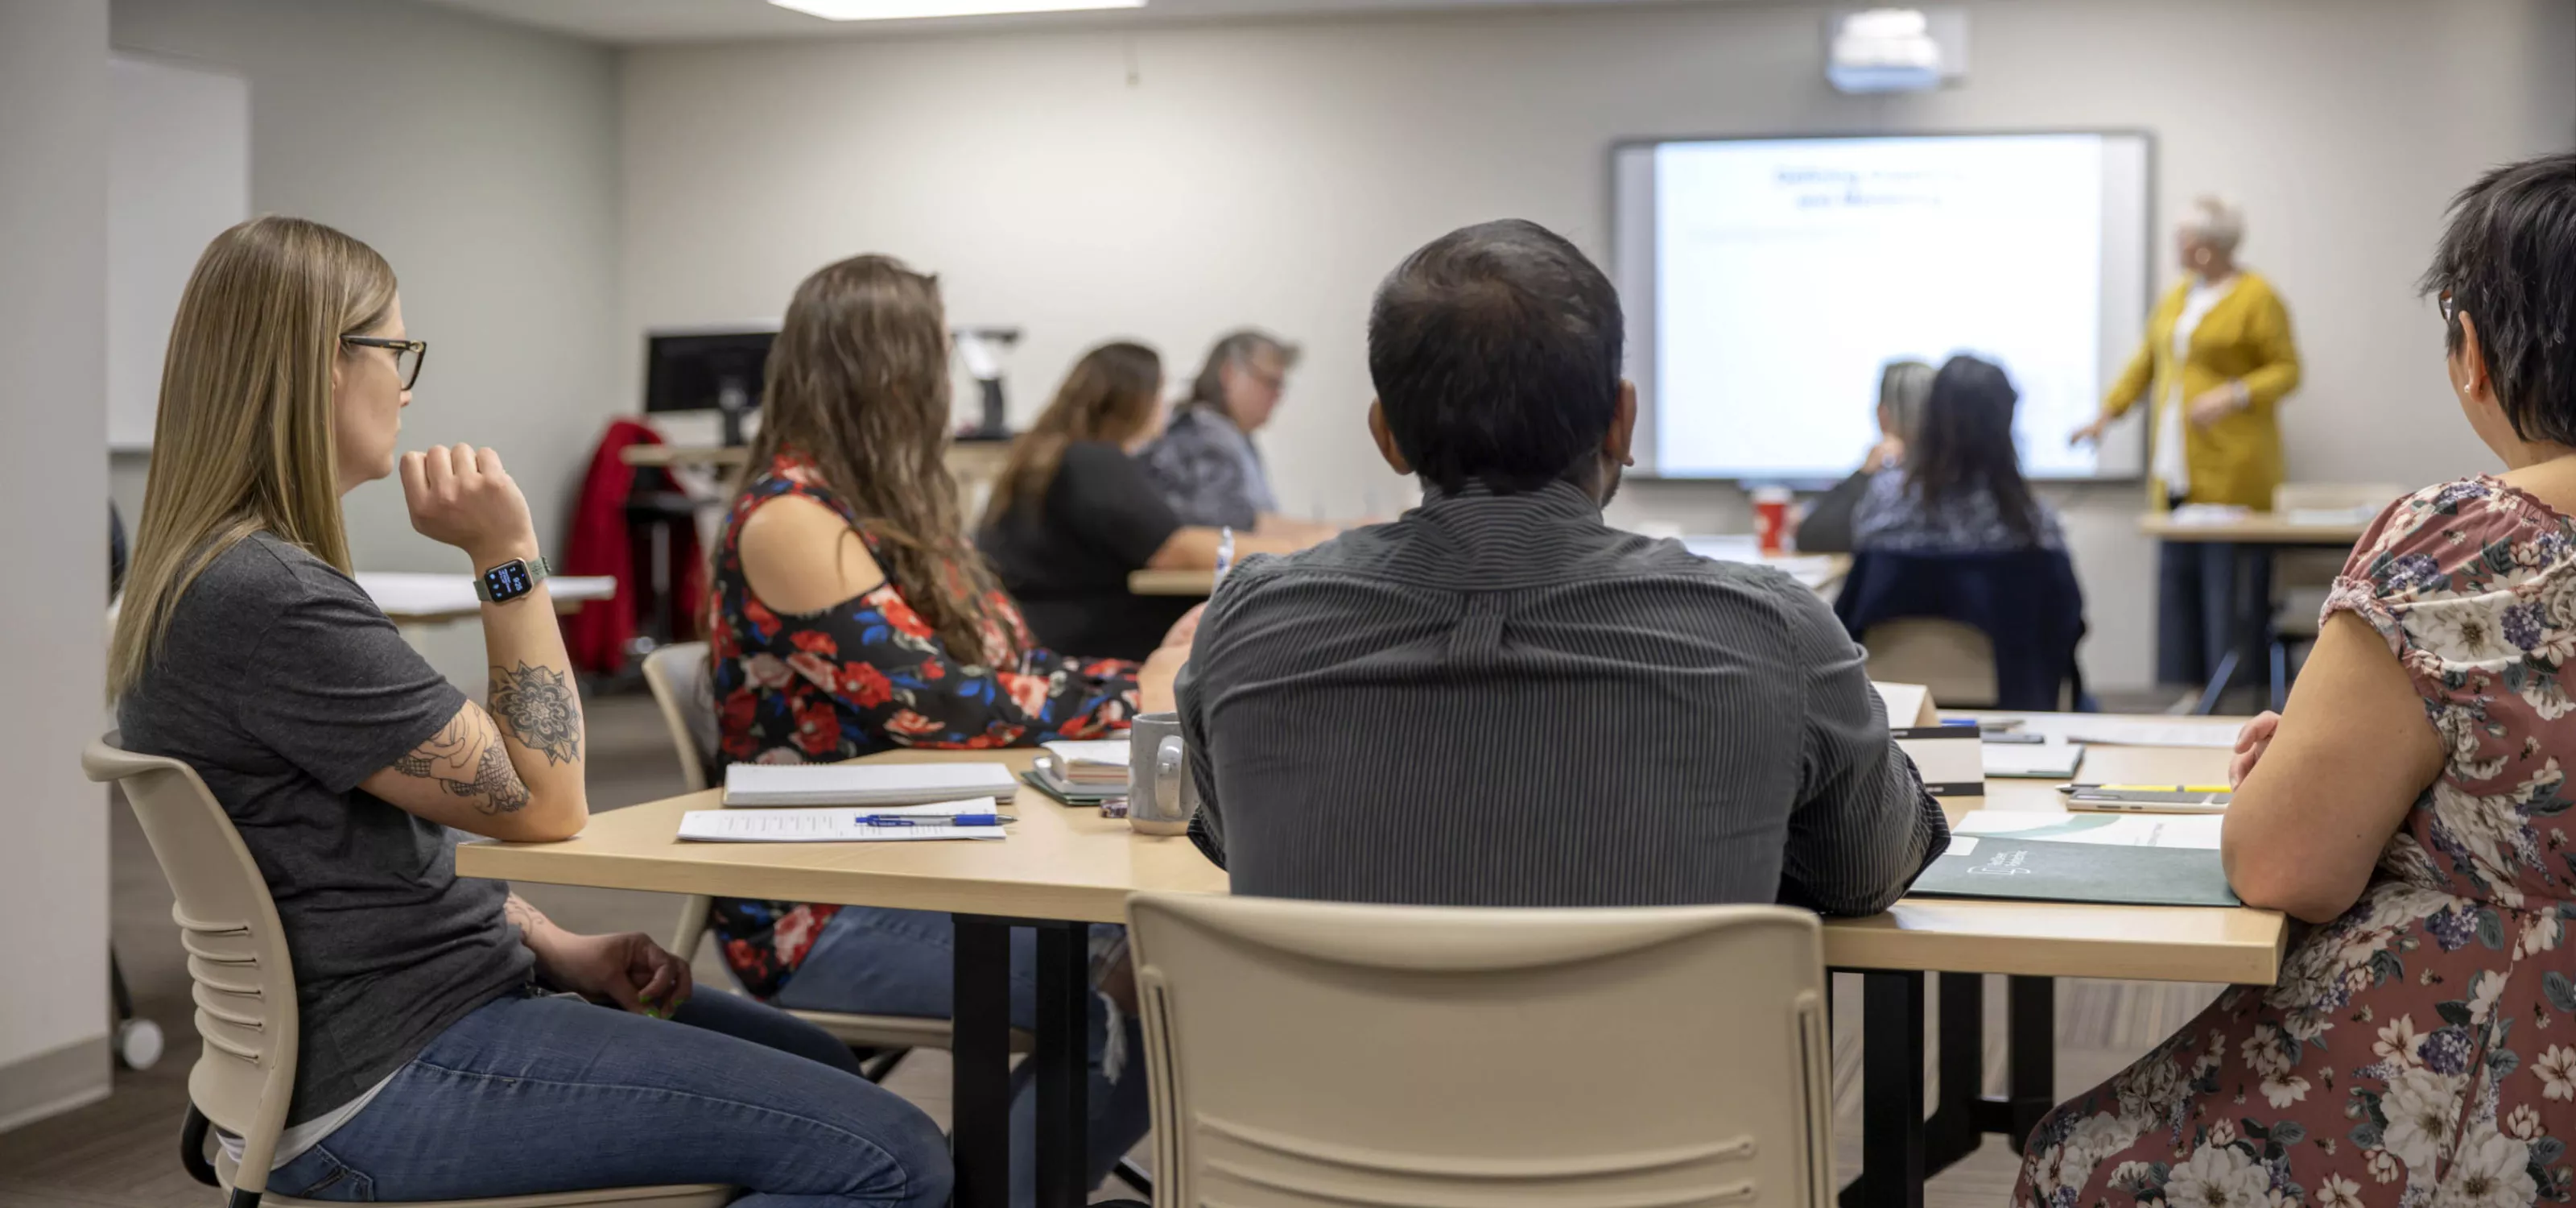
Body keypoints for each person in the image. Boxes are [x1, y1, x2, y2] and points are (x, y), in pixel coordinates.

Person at [109, 217, 948, 1206]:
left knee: (832, 1074)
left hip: (419, 1008)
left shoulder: (236, 577)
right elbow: (547, 804)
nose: (409, 383)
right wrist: (508, 558)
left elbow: (365, 847)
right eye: (395, 349)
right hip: (386, 1071)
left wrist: (549, 941)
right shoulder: (268, 597)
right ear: (321, 365)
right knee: (891, 1155)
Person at [2017, 151, 2576, 1207]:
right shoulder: (2182, 302)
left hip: (2487, 1077)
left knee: (2082, 1158)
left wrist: (2318, 778)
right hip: (2187, 476)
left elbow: (2286, 867)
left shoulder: (2456, 547)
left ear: (2473, 354)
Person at [1174, 218, 1949, 910]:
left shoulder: (1250, 623)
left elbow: (1238, 841)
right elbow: (1866, 875)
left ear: (1387, 436)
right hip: (1664, 1073)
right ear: (1622, 421)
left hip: (1319, 1073)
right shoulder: (1771, 629)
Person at [706, 255, 1183, 1206]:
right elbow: (943, 704)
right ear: (886, 374)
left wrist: (1139, 681)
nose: (948, 388)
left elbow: (1007, 668)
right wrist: (1146, 688)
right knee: (1137, 1007)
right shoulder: (790, 516)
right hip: (817, 905)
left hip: (926, 857)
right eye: (932, 361)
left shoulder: (888, 509)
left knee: (1166, 960)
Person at [2072, 196, 2302, 691]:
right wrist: (2106, 415)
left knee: (2228, 603)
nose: (2176, 247)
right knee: (2177, 597)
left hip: (2234, 476)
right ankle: (2182, 705)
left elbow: (2287, 370)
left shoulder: (2257, 297)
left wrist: (2235, 394)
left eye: (2183, 239)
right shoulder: (2179, 298)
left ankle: (2234, 709)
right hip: (2177, 473)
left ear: (2206, 247)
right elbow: (2145, 364)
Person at [977, 341, 1309, 660]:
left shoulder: (1054, 457)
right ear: (1135, 399)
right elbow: (1177, 549)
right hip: (1082, 643)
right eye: (1160, 391)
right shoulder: (1094, 463)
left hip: (1039, 632)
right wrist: (1303, 549)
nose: (1166, 405)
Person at [1852, 354, 2067, 554]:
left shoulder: (1886, 512)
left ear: (1930, 419)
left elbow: (1864, 589)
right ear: (2006, 424)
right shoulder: (2036, 527)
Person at [1139, 328, 1331, 537]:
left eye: (1282, 386)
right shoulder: (1201, 435)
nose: (1278, 395)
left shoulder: (1232, 434)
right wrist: (1332, 534)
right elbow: (1232, 523)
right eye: (1270, 382)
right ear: (1229, 373)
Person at [1794, 358, 1933, 554]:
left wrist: (1864, 475)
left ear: (1882, 415)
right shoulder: (1968, 483)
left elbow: (1813, 537)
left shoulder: (1885, 485)